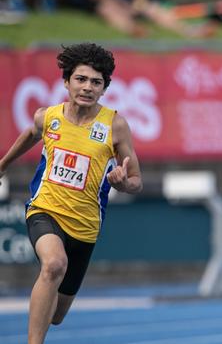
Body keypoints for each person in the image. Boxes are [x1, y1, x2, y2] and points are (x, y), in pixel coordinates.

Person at [0, 43, 142, 344]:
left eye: (96, 82)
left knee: (57, 314)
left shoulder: (115, 125)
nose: (87, 87)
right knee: (53, 264)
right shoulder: (48, 117)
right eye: (81, 79)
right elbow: (30, 134)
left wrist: (121, 183)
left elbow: (136, 180)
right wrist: (3, 165)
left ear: (104, 89)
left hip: (86, 226)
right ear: (66, 82)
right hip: (45, 209)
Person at [70, 0, 214, 38]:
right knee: (108, 9)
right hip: (106, 2)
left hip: (129, 1)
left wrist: (139, 1)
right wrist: (122, 4)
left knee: (153, 8)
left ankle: (189, 31)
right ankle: (133, 29)